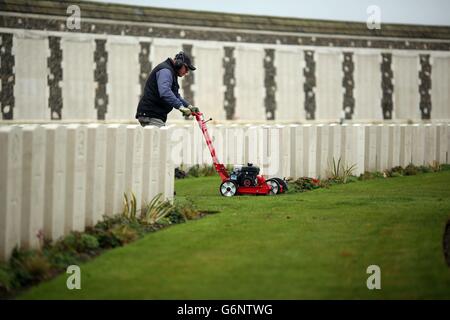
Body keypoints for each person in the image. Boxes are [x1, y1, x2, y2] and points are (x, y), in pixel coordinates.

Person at [135, 51, 199, 127]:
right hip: (151, 114)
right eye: (186, 69)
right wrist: (180, 107)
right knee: (161, 138)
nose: (187, 72)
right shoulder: (166, 71)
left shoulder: (171, 72)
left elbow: (175, 96)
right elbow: (165, 92)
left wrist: (189, 106)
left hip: (154, 114)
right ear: (179, 64)